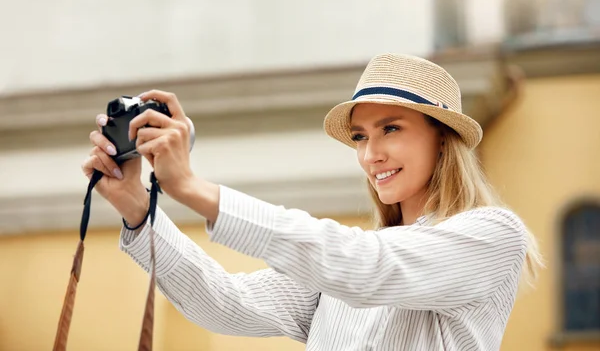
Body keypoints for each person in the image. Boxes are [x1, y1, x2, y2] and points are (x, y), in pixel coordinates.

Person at [82, 53, 543, 350]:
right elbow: (226, 302)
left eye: (391, 128)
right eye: (361, 136)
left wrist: (193, 188)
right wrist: (137, 207)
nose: (370, 153)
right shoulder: (335, 271)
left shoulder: (492, 236)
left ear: (443, 141)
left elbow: (370, 266)